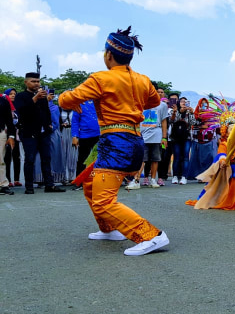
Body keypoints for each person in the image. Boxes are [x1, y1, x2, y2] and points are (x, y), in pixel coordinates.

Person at [59, 26, 169, 256]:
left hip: (116, 143)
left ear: (108, 54)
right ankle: (109, 229)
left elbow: (66, 100)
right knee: (90, 185)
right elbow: (153, 102)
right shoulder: (143, 80)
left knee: (103, 201)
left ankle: (151, 235)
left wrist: (68, 100)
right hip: (133, 140)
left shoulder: (101, 78)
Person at [13, 72, 65, 194]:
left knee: (46, 159)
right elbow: (22, 112)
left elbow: (46, 112)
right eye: (33, 81)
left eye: (38, 81)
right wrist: (35, 98)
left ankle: (49, 185)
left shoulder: (42, 97)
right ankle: (29, 187)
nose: (36, 84)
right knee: (29, 160)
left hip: (44, 133)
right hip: (29, 133)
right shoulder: (21, 96)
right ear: (26, 82)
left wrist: (48, 125)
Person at [127, 82, 168, 189]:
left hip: (156, 135)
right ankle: (136, 180)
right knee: (141, 159)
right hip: (142, 135)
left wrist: (164, 137)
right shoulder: (139, 102)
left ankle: (153, 180)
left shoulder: (162, 105)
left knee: (155, 159)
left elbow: (164, 121)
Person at [71, 100, 100, 189]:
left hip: (99, 135)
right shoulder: (79, 103)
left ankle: (99, 181)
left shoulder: (99, 102)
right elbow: (75, 121)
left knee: (99, 159)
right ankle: (79, 182)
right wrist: (75, 136)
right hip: (85, 135)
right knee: (82, 159)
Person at [170, 96, 195, 185]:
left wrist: (192, 113)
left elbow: (193, 123)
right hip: (176, 137)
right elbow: (172, 121)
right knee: (176, 157)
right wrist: (177, 111)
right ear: (178, 103)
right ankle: (175, 176)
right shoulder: (174, 110)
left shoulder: (189, 112)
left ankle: (184, 176)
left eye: (185, 101)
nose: (184, 103)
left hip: (187, 137)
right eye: (182, 101)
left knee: (185, 157)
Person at [3, 88, 21, 188]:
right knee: (7, 158)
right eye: (10, 94)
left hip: (16, 135)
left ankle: (17, 179)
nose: (13, 95)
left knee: (17, 157)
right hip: (6, 135)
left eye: (14, 94)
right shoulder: (4, 106)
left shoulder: (17, 107)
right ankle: (8, 179)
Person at [0, 93, 16, 195]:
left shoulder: (3, 101)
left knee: (0, 159)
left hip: (1, 132)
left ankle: (3, 185)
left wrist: (11, 136)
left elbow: (9, 120)